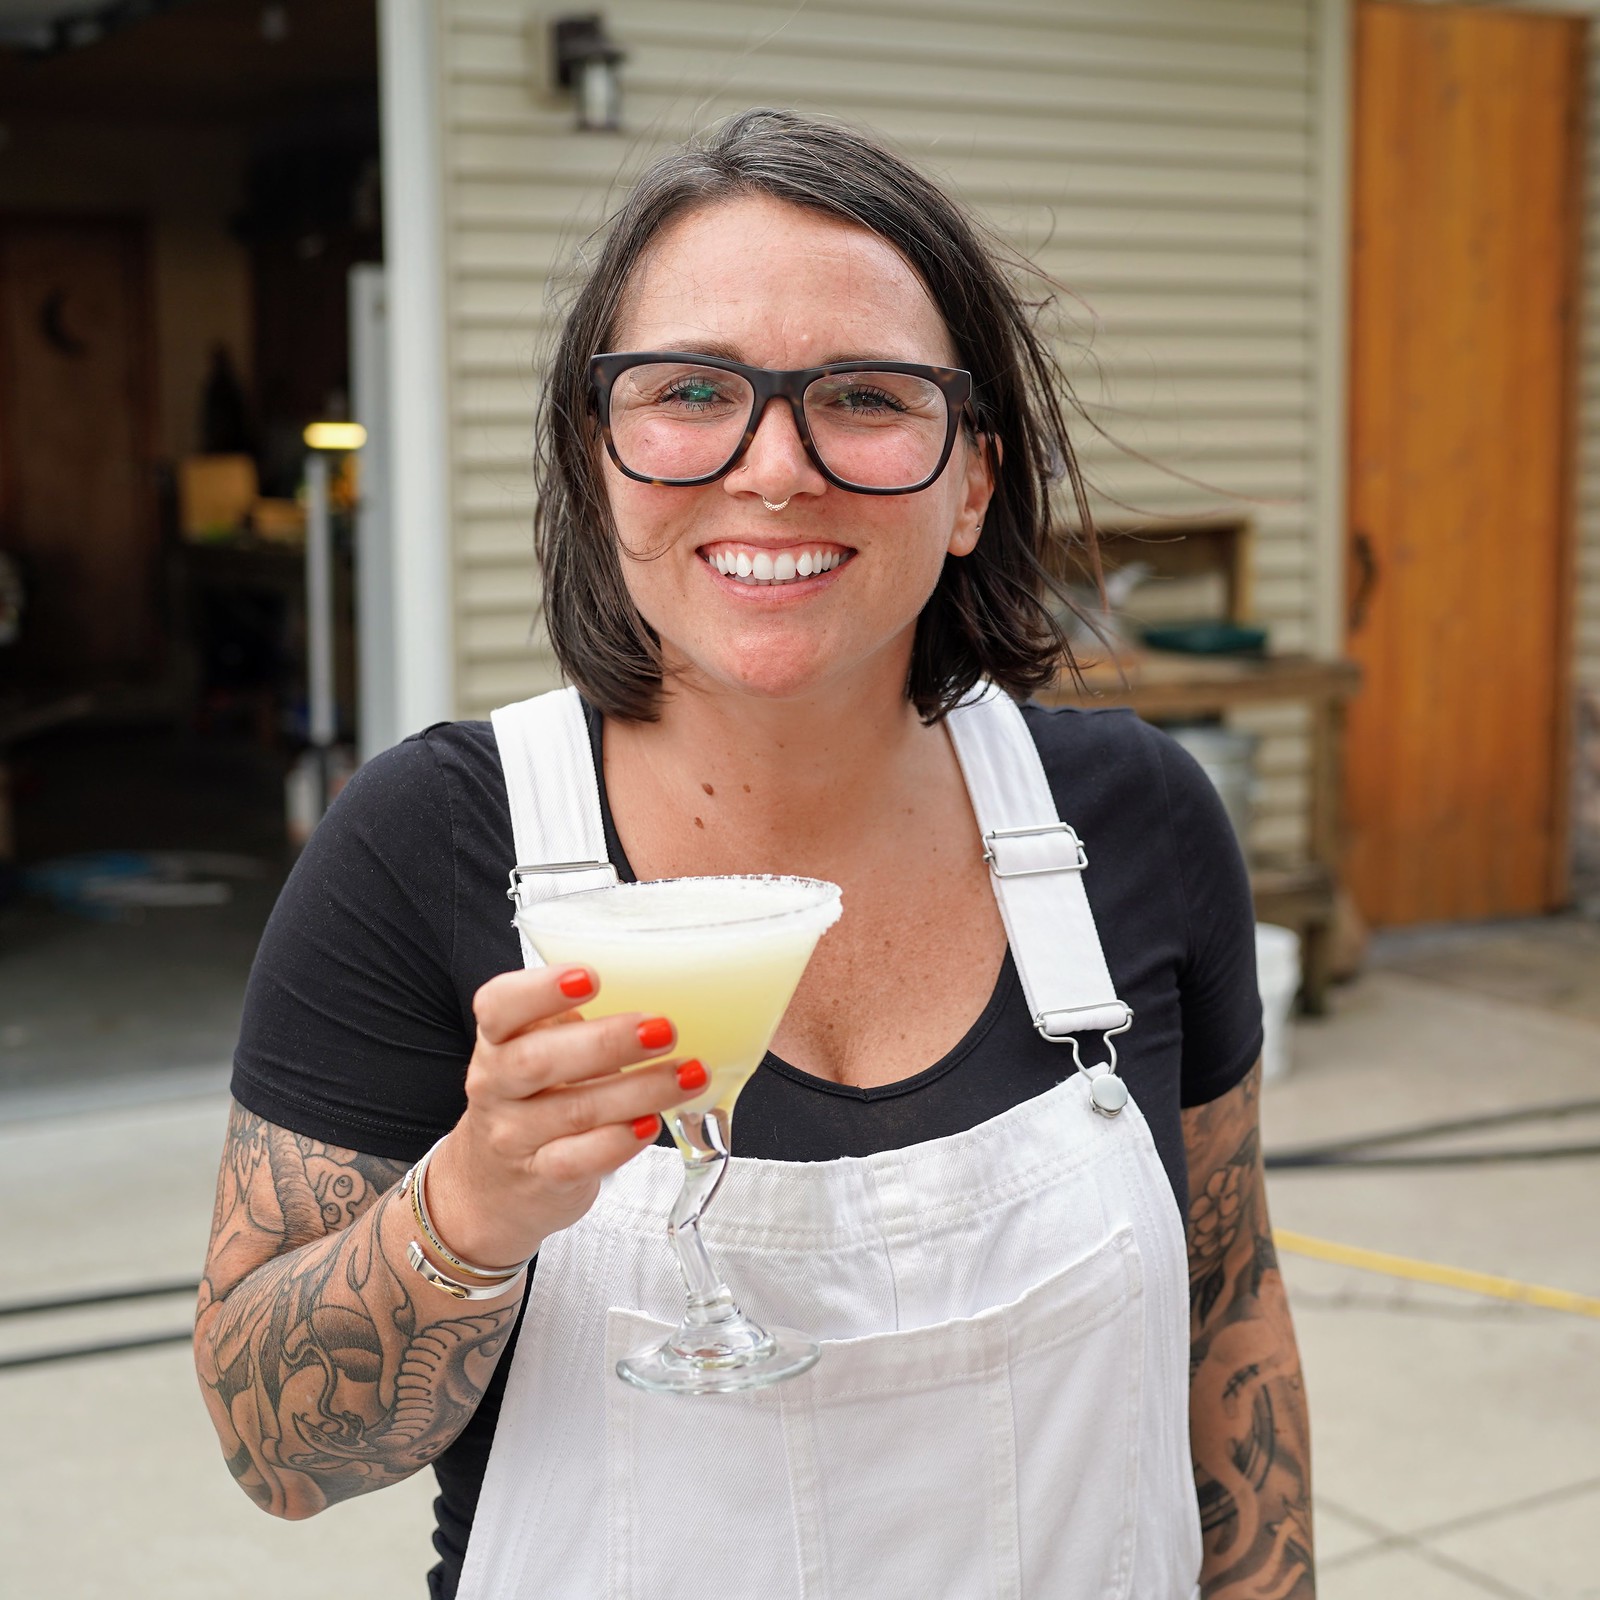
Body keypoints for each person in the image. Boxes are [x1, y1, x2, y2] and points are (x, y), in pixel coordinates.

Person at [195, 109, 1313, 1599]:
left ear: (973, 483)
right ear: (599, 458)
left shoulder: (1134, 821)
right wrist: (470, 1211)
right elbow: (276, 1455)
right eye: (690, 390)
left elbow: (1228, 1316)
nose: (776, 468)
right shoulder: (426, 844)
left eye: (864, 395)